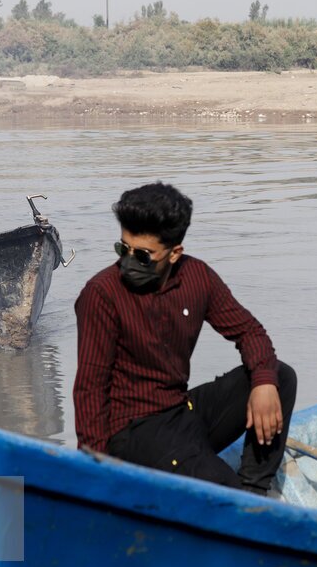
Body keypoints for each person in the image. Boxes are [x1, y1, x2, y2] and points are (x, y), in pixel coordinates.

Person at [73, 182, 297, 495]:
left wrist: (263, 383)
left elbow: (250, 332)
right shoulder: (101, 294)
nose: (128, 262)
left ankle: (254, 489)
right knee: (222, 492)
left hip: (181, 411)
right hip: (133, 431)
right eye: (123, 249)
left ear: (175, 253)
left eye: (143, 255)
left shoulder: (197, 277)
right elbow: (90, 389)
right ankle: (235, 498)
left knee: (279, 377)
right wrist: (94, 470)